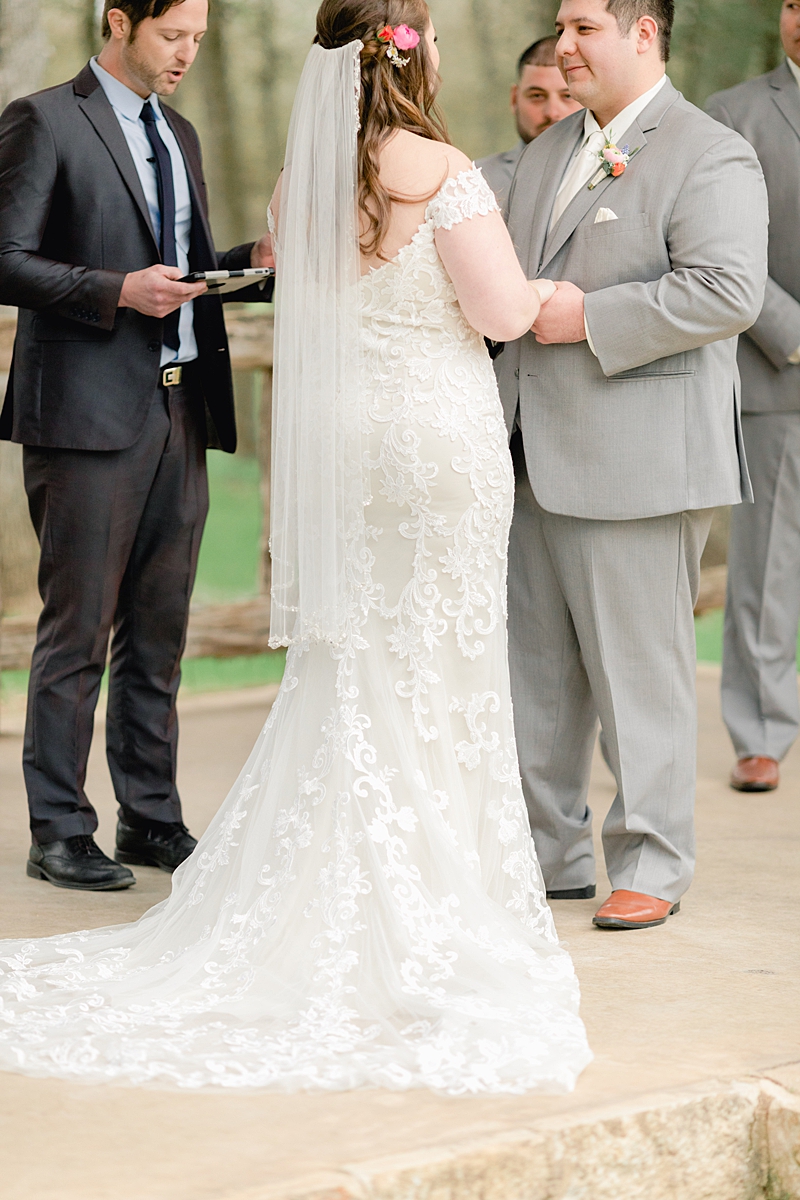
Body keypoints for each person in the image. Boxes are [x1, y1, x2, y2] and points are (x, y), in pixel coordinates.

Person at [0, 0, 591, 1096]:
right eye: (175, 34)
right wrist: (565, 296)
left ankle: (186, 828)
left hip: (343, 452)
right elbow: (501, 309)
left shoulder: (297, 180)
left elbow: (301, 280)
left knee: (350, 659)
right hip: (419, 444)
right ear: (412, 54)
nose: (187, 53)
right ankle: (416, 884)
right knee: (432, 663)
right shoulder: (442, 166)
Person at [495, 0, 768, 929]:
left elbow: (726, 289)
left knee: (637, 675)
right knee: (534, 673)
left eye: (582, 29)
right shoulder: (542, 153)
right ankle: (550, 853)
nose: (562, 48)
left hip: (641, 458)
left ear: (642, 32)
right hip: (528, 449)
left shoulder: (710, 149)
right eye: (562, 31)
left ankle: (653, 859)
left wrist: (589, 317)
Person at [0, 0, 273, 891]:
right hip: (84, 419)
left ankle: (150, 821)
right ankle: (58, 830)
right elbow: (5, 257)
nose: (188, 53)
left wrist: (251, 262)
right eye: (172, 36)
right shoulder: (44, 119)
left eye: (199, 38)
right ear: (119, 20)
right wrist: (115, 290)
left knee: (159, 633)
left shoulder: (181, 131)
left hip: (177, 413)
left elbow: (180, 273)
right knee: (77, 630)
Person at [705, 0, 800, 796]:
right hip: (780, 371)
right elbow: (719, 243)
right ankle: (762, 732)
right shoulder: (732, 117)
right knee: (767, 568)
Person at [477, 36, 582, 207]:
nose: (552, 112)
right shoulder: (476, 178)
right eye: (537, 96)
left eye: (567, 96)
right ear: (514, 99)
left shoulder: (615, 171)